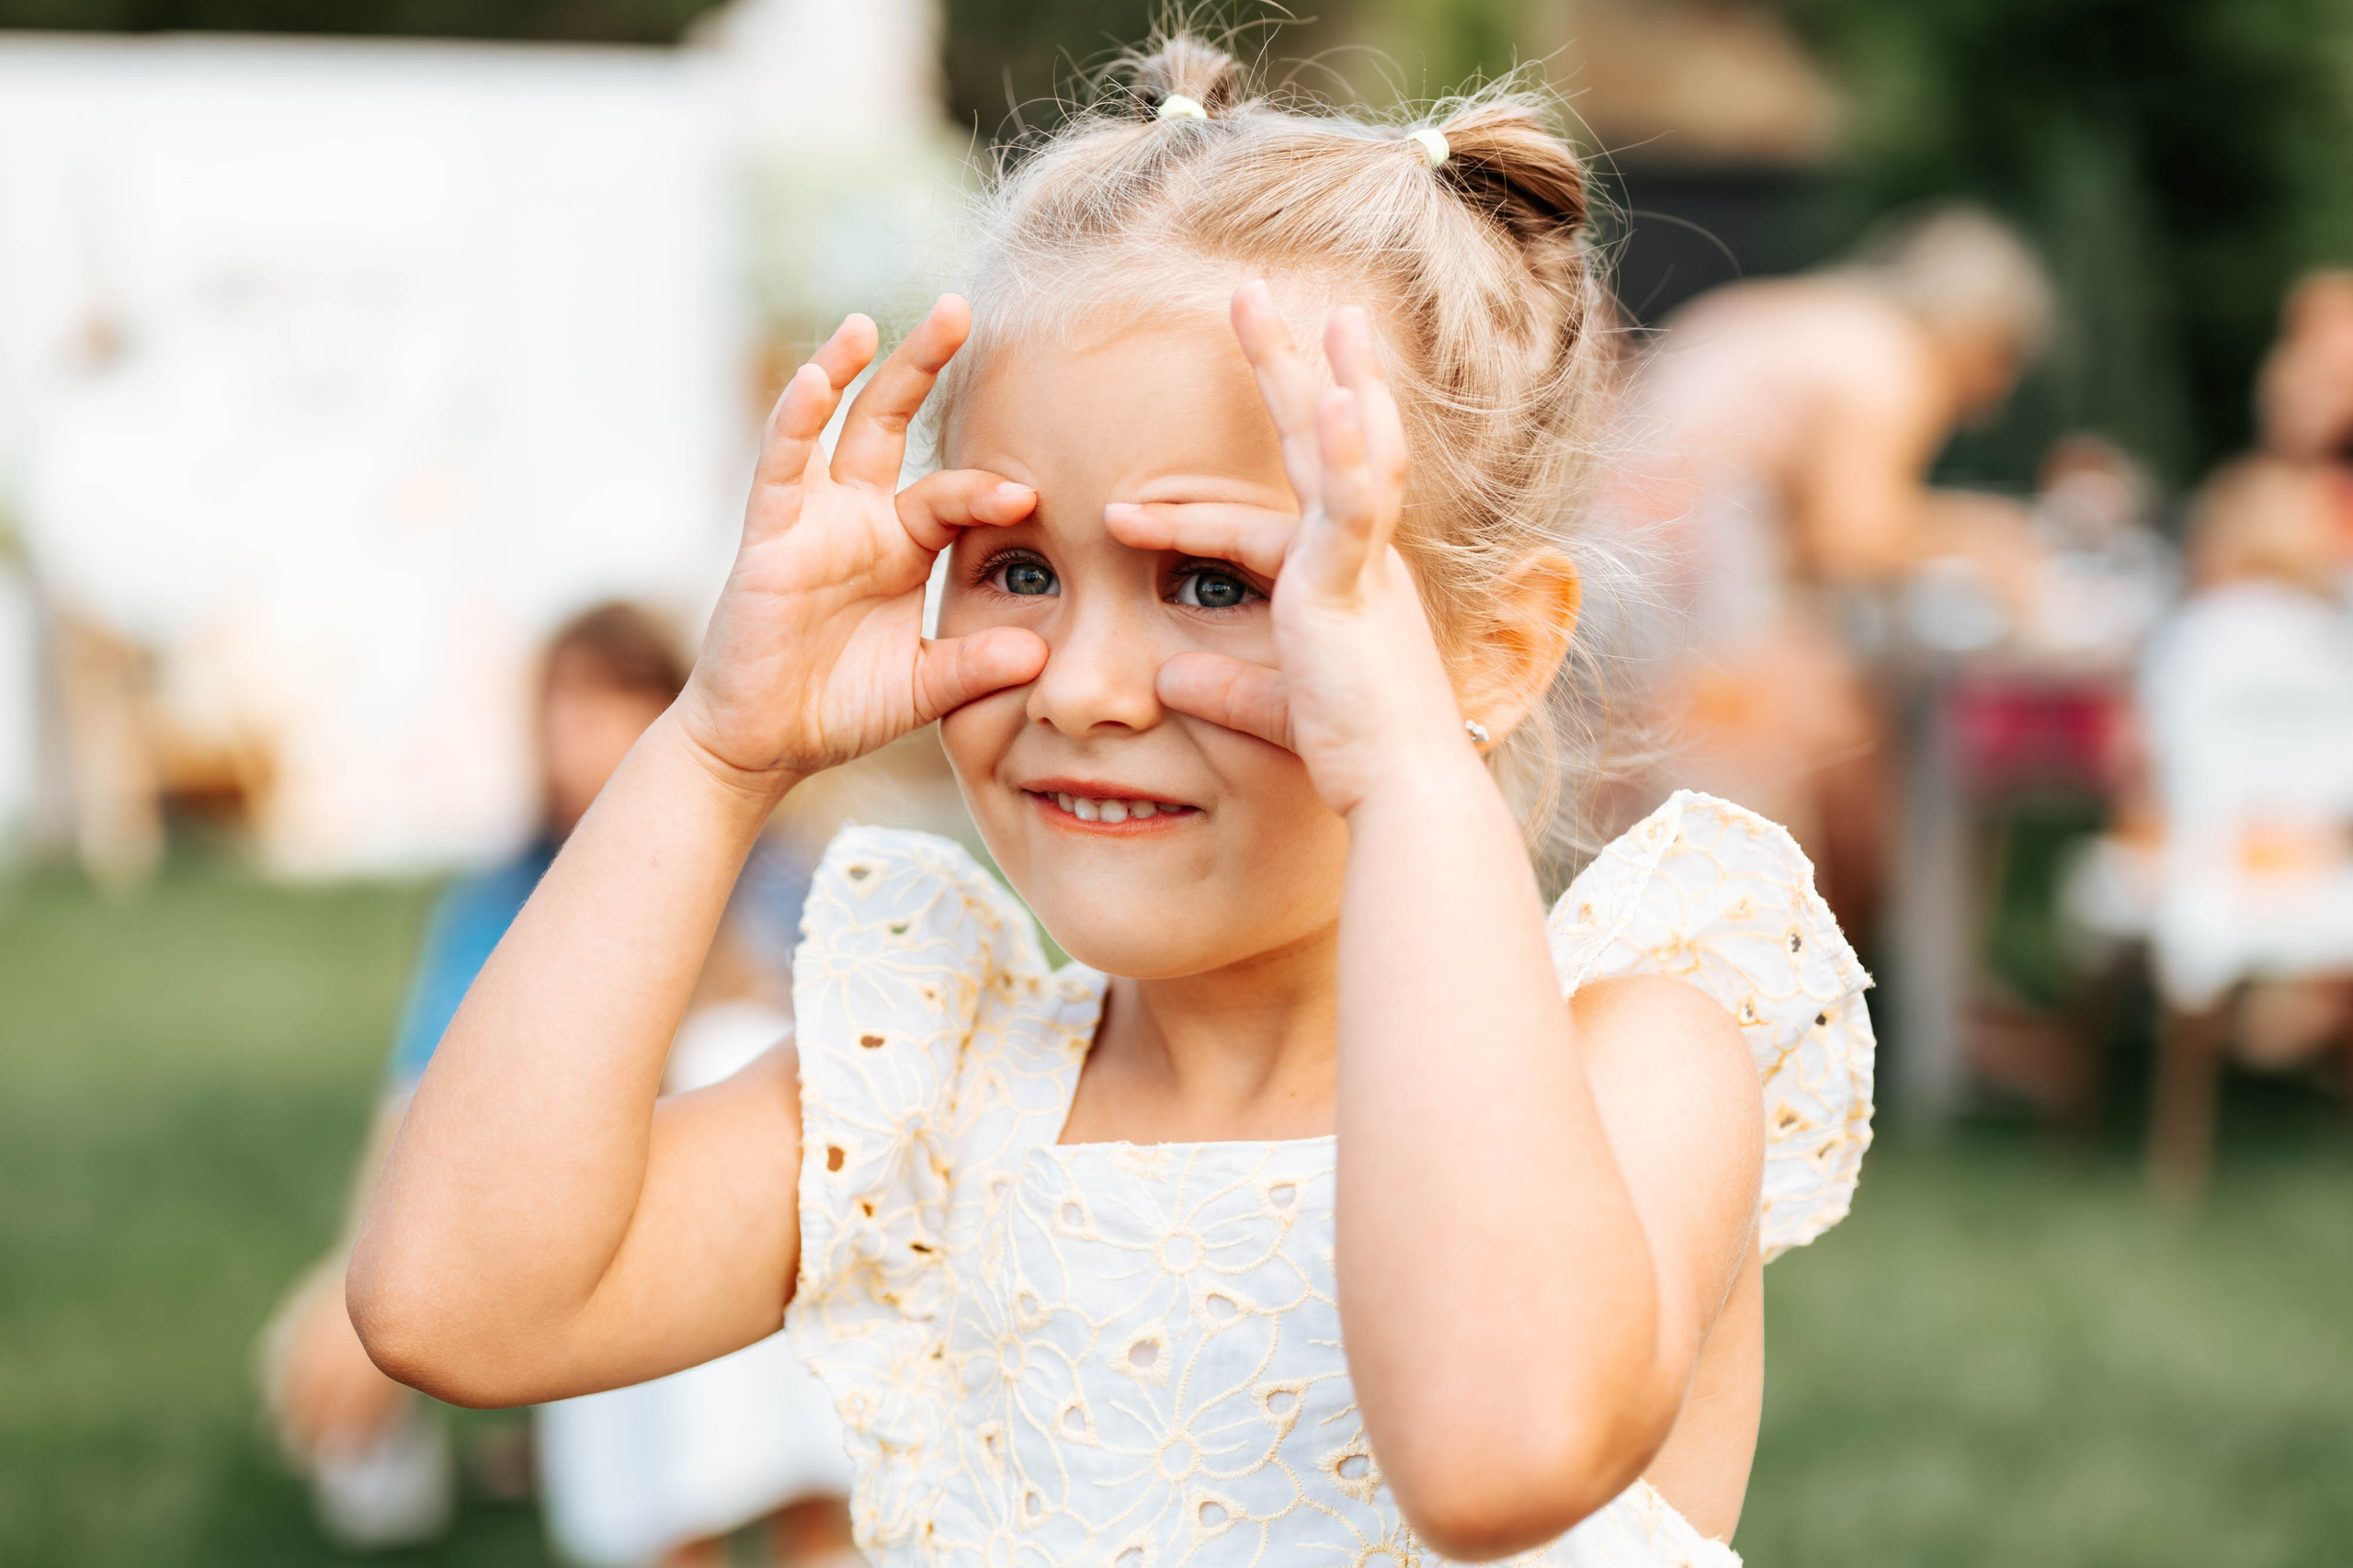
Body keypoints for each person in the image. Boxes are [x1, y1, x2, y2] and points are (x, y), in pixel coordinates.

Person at [348, 39, 1876, 1565]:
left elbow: (1494, 1454)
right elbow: (457, 1302)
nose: (1082, 687)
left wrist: (1409, 773)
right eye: (1018, 567)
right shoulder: (941, 1091)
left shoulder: (1638, 1066)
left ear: (1495, 652)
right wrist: (717, 749)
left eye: (1216, 581)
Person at [260, 601, 854, 1565]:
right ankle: (671, 1519)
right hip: (567, 1221)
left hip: (757, 1232)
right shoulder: (501, 899)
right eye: (564, 709)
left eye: (616, 701)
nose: (584, 737)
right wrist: (353, 1273)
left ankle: (801, 1516)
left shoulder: (779, 876)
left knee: (729, 1064)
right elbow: (419, 1098)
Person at [1608, 204, 2057, 929]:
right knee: (1807, 801)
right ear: (1980, 334)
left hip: (1625, 568)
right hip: (1692, 577)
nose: (1993, 395)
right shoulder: (1890, 362)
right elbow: (1849, 536)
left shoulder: (1818, 318)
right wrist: (1989, 539)